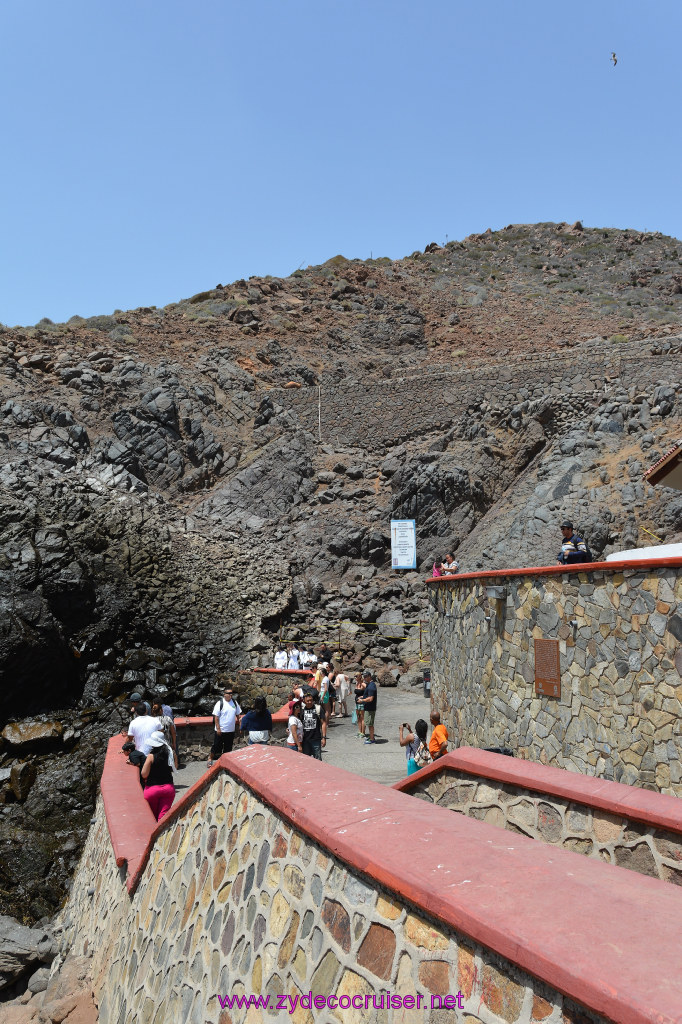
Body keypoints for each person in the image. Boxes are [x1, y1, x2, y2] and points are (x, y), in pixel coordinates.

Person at [141, 730, 175, 821]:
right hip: (168, 788)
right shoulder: (171, 753)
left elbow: (144, 774)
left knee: (152, 816)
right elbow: (174, 767)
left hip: (152, 789)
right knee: (163, 816)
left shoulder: (151, 756)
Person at [209, 686, 242, 767]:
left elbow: (238, 716)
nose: (231, 695)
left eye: (232, 693)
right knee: (216, 746)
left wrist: (241, 726)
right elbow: (216, 717)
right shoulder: (220, 703)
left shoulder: (234, 703)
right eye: (229, 693)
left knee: (228, 747)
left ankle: (225, 763)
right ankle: (210, 759)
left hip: (230, 730)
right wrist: (218, 728)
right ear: (224, 694)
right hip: (221, 730)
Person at [151, 702, 179, 769]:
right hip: (167, 743)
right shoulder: (168, 719)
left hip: (156, 744)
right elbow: (173, 733)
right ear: (161, 710)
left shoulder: (152, 721)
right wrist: (174, 743)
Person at [301, 691, 327, 758]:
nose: (310, 702)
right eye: (308, 701)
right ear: (304, 701)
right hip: (305, 740)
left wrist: (324, 737)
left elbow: (323, 723)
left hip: (316, 739)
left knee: (318, 759)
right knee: (306, 760)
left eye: (311, 700)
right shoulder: (302, 710)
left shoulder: (318, 708)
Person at [358, 668, 378, 745]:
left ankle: (372, 739)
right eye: (364, 676)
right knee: (369, 723)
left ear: (370, 676)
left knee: (370, 724)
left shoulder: (371, 686)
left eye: (366, 676)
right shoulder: (369, 684)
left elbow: (370, 698)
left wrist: (362, 700)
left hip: (370, 708)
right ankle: (371, 736)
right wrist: (362, 697)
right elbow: (368, 695)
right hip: (368, 707)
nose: (365, 678)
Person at [353, 672, 366, 738]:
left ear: (359, 677)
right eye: (354, 676)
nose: (355, 677)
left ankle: (363, 732)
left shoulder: (363, 684)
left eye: (356, 676)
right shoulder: (357, 683)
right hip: (357, 703)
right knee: (358, 717)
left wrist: (363, 697)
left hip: (362, 703)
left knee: (362, 718)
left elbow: (368, 691)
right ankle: (360, 731)